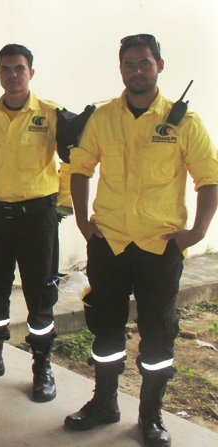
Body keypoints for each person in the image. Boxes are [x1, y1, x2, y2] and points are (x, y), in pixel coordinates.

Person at [64, 34, 218, 447]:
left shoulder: (185, 122)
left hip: (159, 246)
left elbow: (209, 179)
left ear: (159, 66)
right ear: (121, 70)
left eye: (145, 63)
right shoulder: (102, 118)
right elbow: (80, 168)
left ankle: (150, 415)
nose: (137, 71)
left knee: (159, 332)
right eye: (129, 64)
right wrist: (83, 221)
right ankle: (104, 403)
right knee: (105, 329)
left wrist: (198, 231)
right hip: (109, 242)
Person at [0, 44, 72, 402]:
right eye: (6, 69)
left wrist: (61, 209)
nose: (12, 75)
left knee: (40, 295)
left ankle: (42, 367)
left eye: (19, 69)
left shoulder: (52, 115)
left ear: (31, 73)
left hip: (38, 219)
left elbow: (72, 163)